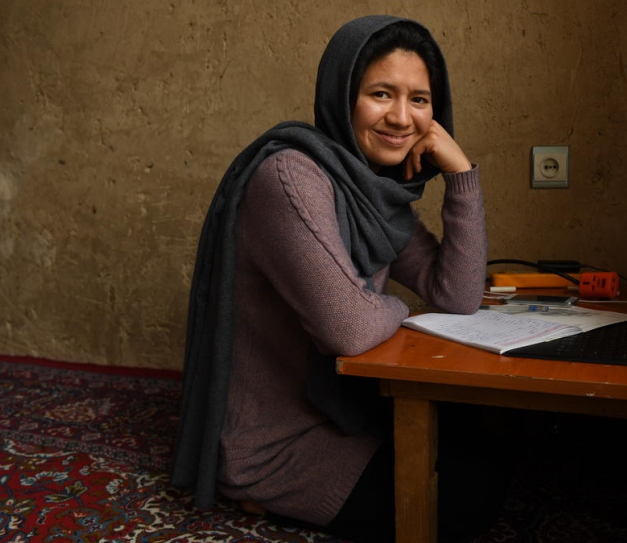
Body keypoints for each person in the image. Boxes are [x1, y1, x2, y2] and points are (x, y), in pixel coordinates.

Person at [171, 15, 497, 543]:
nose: (400, 117)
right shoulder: (290, 177)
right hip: (275, 444)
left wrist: (461, 176)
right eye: (381, 93)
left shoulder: (375, 194)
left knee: (491, 439)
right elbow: (347, 328)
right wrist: (393, 310)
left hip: (342, 413)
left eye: (419, 99)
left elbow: (457, 295)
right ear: (343, 96)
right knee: (466, 497)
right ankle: (257, 493)